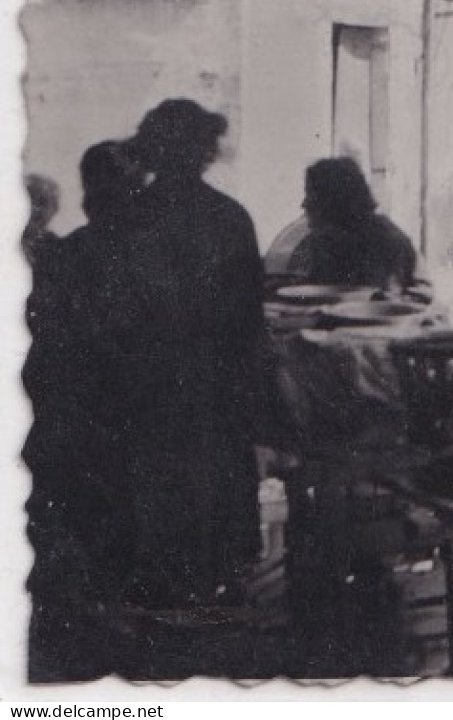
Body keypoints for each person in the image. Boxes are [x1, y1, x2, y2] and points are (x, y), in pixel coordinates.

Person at [118, 98, 269, 608]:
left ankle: (167, 599)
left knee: (160, 493)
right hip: (212, 381)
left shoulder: (127, 218)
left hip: (149, 383)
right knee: (216, 492)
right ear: (205, 151)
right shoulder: (229, 219)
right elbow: (250, 317)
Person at [24, 142, 149, 679]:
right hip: (105, 413)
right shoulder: (148, 253)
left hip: (82, 413)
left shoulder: (67, 253)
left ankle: (92, 614)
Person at [286, 156, 419, 292]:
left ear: (335, 200)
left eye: (311, 195)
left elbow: (375, 300)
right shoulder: (324, 241)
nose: (304, 204)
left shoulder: (383, 242)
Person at [24, 173, 62, 267]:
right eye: (29, 201)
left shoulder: (57, 247)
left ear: (55, 209)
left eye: (42, 203)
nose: (34, 208)